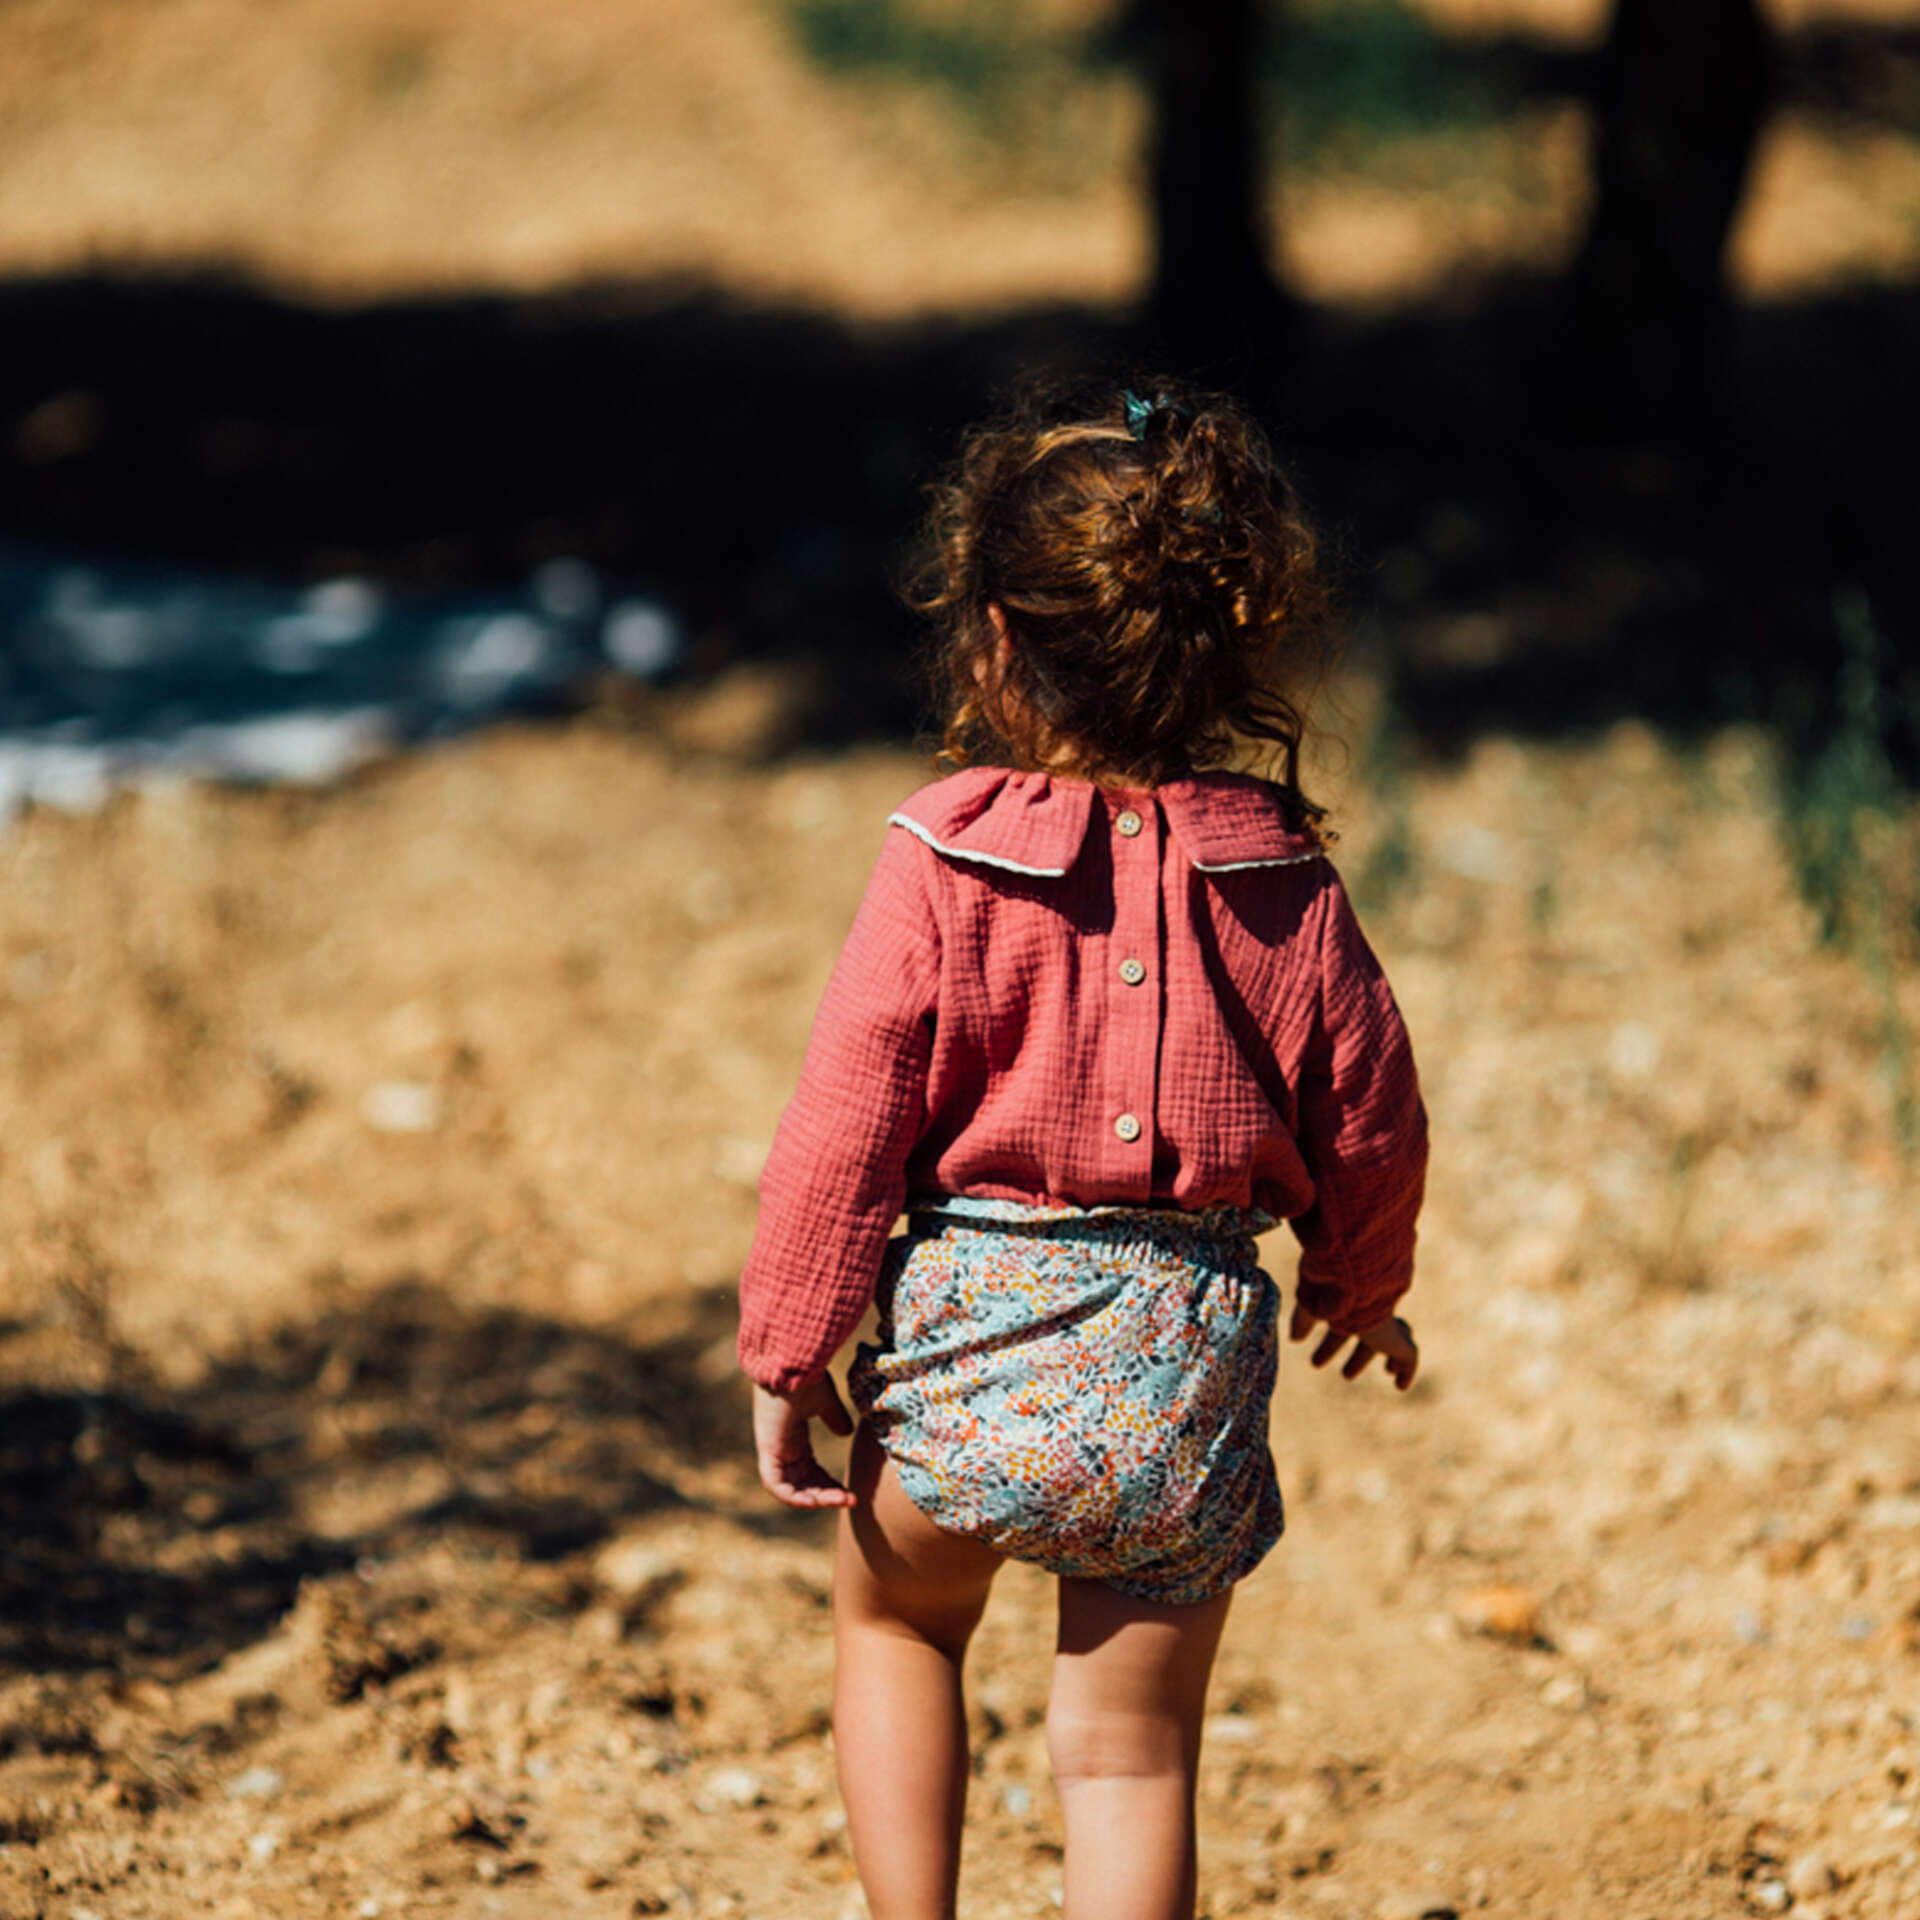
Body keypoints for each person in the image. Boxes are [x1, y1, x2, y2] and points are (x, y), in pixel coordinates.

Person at [736, 377, 1428, 1920]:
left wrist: (791, 1351)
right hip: (1184, 1363)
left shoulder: (939, 859)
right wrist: (1359, 1283)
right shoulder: (1284, 878)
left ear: (994, 635)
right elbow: (1371, 1106)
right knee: (1129, 1755)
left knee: (896, 1628)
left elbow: (845, 1129)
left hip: (971, 1362)